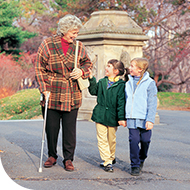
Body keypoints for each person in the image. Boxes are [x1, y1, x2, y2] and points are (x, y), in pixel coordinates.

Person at [35, 14, 92, 171]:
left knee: (70, 129)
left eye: (76, 32)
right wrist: (44, 88)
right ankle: (52, 155)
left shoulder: (79, 46)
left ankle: (68, 159)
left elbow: (88, 63)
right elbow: (39, 68)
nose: (75, 35)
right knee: (51, 128)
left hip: (72, 93)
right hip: (52, 91)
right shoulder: (47, 44)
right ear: (64, 30)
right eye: (73, 32)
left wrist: (81, 71)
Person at [88, 59, 126, 172]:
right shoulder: (102, 82)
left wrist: (121, 118)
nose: (106, 68)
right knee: (102, 139)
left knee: (111, 139)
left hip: (113, 116)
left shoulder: (121, 85)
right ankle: (107, 162)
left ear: (116, 71)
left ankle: (111, 157)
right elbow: (93, 91)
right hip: (100, 115)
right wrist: (91, 78)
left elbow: (121, 103)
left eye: (109, 66)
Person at [125, 57, 157, 176]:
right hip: (132, 117)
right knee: (133, 140)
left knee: (145, 140)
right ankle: (135, 165)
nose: (130, 68)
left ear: (140, 69)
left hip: (145, 118)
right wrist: (123, 117)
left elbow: (152, 102)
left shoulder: (150, 83)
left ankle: (142, 157)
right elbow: (125, 100)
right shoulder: (128, 83)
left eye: (132, 66)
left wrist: (150, 119)